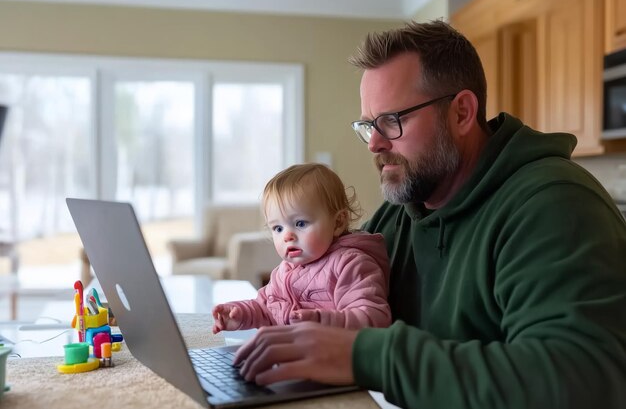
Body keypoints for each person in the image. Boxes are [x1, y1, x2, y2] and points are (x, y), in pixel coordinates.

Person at [232, 20, 626, 409]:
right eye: (369, 125)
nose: (375, 143)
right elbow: (326, 289)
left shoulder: (553, 206)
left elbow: (582, 379)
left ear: (461, 113)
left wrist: (365, 355)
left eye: (392, 120)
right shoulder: (397, 216)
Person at [212, 163, 391, 334]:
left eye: (300, 223)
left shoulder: (350, 264)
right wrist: (240, 314)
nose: (287, 236)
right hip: (291, 354)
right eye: (278, 228)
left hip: (332, 359)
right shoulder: (284, 271)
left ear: (338, 222)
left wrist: (321, 321)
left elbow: (373, 320)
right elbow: (265, 307)